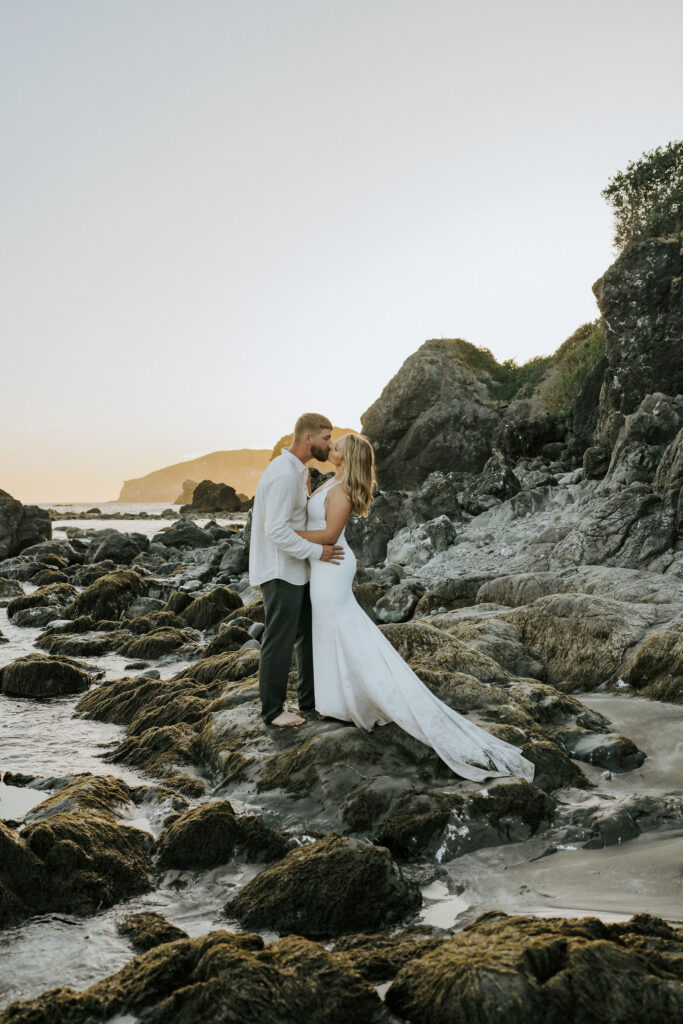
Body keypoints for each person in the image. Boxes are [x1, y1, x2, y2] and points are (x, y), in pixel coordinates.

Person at [295, 433, 536, 783]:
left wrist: (286, 535)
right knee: (330, 630)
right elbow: (316, 518)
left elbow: (330, 535)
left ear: (348, 457)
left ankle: (359, 700)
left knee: (340, 628)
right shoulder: (331, 482)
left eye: (337, 447)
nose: (330, 448)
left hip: (331, 565)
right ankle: (337, 702)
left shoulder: (343, 491)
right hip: (323, 568)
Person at [249, 413, 344, 728]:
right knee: (279, 640)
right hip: (279, 572)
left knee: (307, 636)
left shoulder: (297, 470)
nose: (329, 445)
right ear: (309, 438)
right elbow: (275, 530)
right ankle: (273, 711)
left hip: (298, 569)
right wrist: (318, 551)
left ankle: (311, 703)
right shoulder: (283, 474)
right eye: (326, 438)